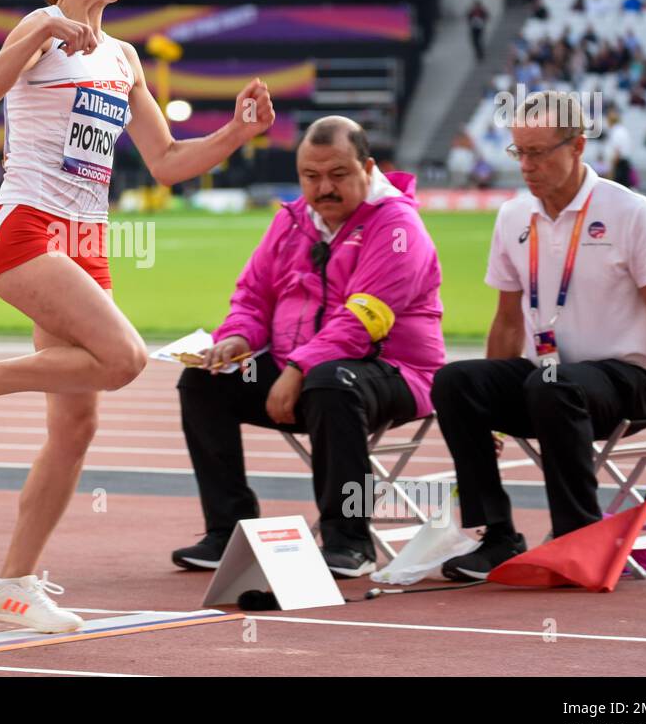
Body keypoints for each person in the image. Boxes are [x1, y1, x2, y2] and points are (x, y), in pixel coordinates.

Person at [0, 0, 275, 632]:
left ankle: (14, 584)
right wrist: (43, 31)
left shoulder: (123, 59)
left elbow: (168, 161)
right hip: (26, 229)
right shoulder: (38, 29)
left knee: (77, 424)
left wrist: (238, 131)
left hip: (86, 241)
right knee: (120, 359)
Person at [430, 91, 646, 580]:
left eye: (538, 152)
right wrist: (493, 422)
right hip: (544, 377)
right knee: (455, 382)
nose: (526, 166)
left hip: (624, 381)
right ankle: (498, 535)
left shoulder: (631, 212)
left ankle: (578, 536)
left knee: (550, 385)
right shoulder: (512, 217)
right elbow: (507, 321)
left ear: (577, 147)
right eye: (517, 152)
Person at [173, 117, 445, 578]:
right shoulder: (291, 219)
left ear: (368, 167)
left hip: (394, 373)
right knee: (203, 380)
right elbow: (253, 297)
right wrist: (236, 338)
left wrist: (296, 368)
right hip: (297, 372)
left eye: (338, 174)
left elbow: (362, 321)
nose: (323, 189)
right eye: (310, 176)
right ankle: (228, 531)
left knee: (330, 381)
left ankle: (349, 543)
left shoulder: (399, 226)